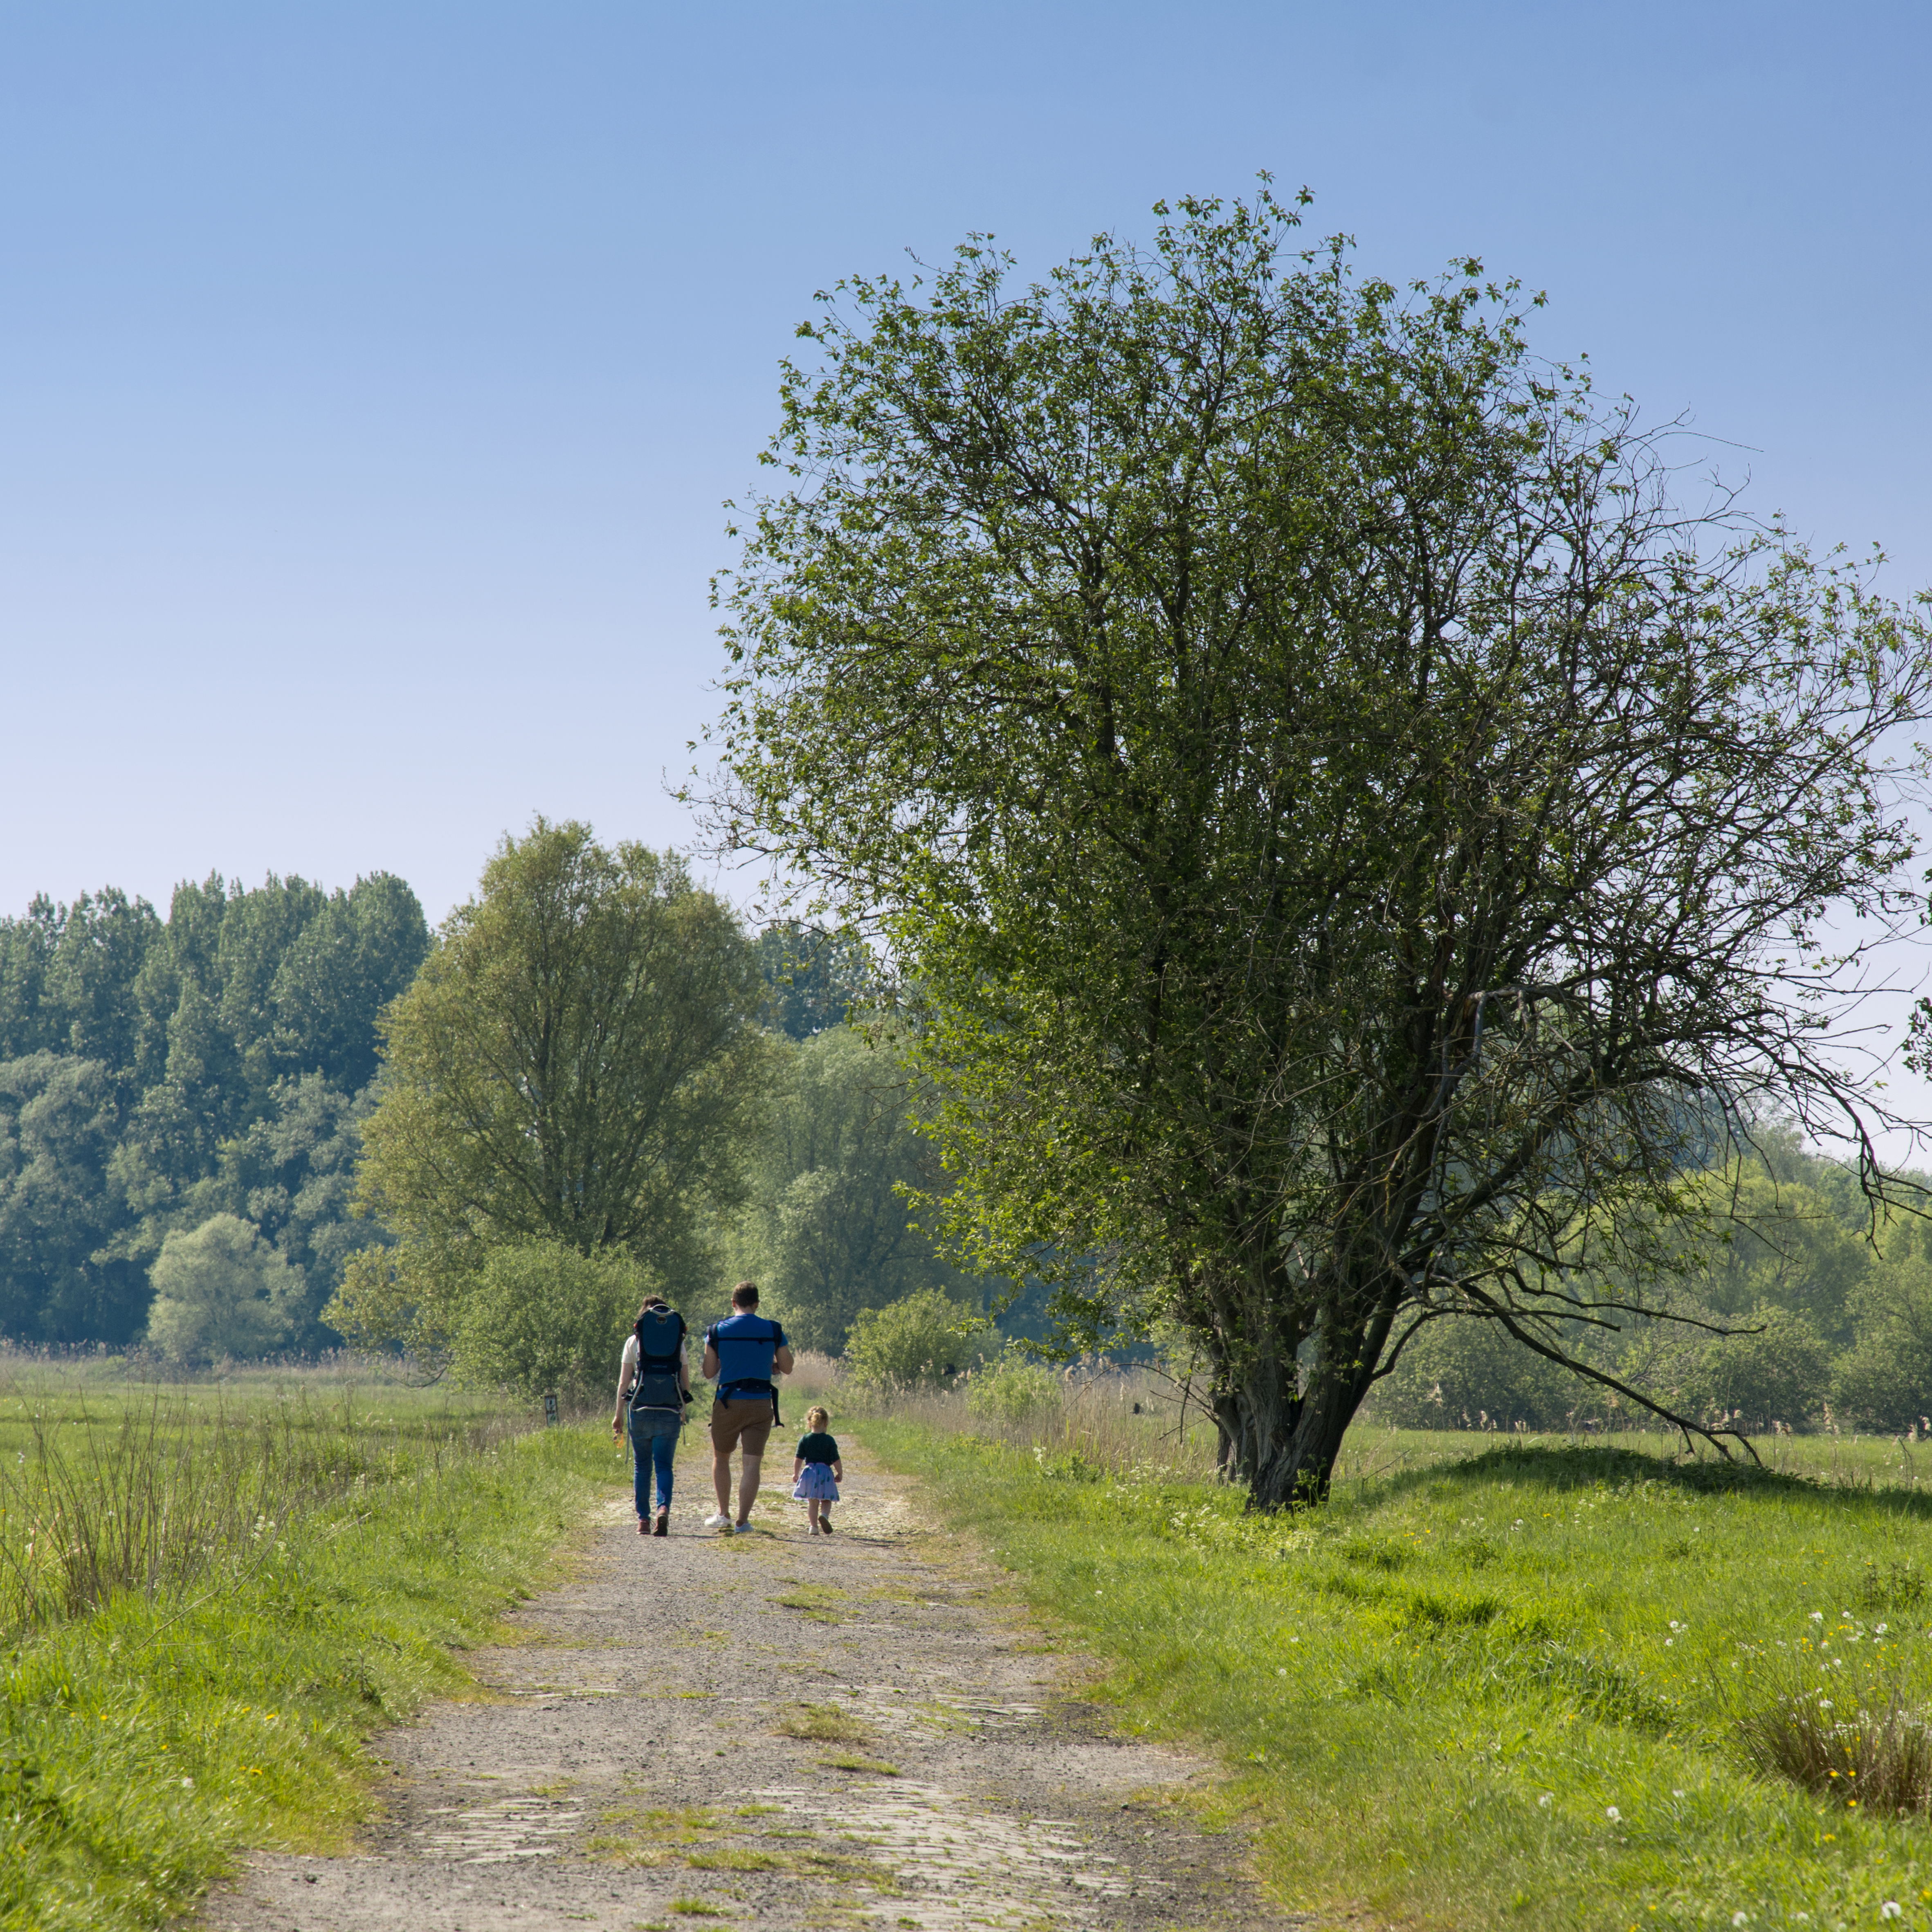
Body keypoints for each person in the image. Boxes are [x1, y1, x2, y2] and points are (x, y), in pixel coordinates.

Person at [701, 1281, 793, 1534]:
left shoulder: (716, 1331)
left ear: (733, 1303)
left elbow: (709, 1372)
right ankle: (743, 1522)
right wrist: (769, 1364)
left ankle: (723, 1514)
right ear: (757, 1304)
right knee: (752, 1464)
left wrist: (729, 1360)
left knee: (722, 1457)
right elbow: (787, 1367)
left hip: (728, 1402)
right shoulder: (773, 1329)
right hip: (761, 1402)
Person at [612, 1293, 691, 1537]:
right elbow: (685, 1383)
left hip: (640, 1408)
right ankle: (663, 1509)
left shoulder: (633, 1342)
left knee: (642, 1466)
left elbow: (624, 1383)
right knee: (664, 1466)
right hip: (669, 1408)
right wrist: (683, 1410)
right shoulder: (678, 1342)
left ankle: (643, 1521)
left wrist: (618, 1416)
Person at [791, 1406, 843, 1536]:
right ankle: (824, 1516)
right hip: (825, 1473)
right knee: (826, 1500)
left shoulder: (805, 1439)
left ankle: (813, 1527)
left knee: (813, 1502)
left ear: (809, 1423)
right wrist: (840, 1473)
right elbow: (836, 1459)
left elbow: (798, 1458)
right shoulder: (829, 1440)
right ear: (826, 1423)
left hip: (810, 1473)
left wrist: (796, 1473)